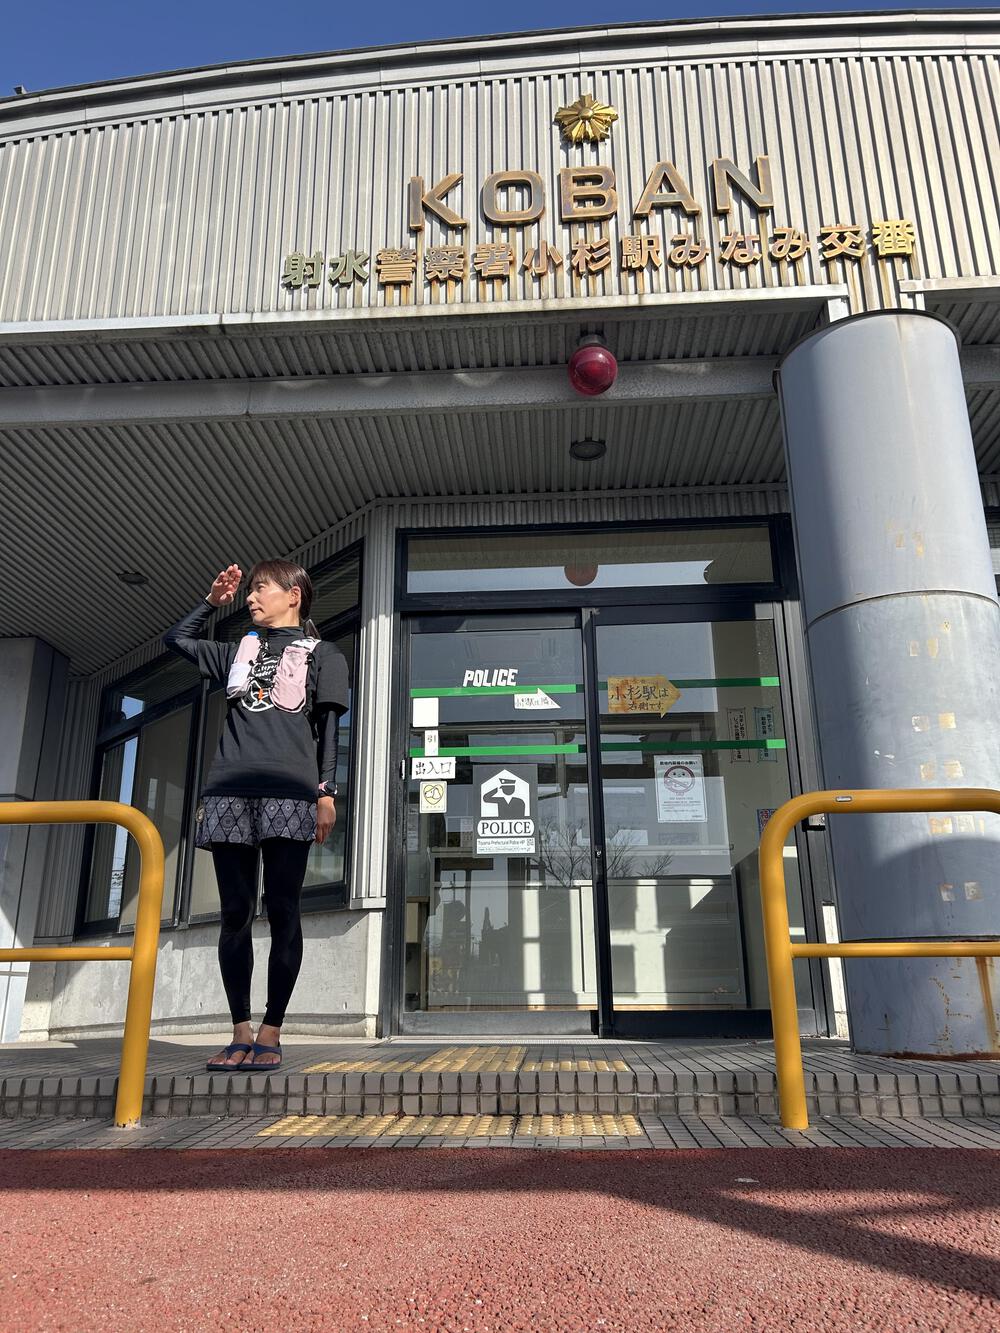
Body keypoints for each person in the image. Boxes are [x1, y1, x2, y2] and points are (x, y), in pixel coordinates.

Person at [164, 560, 349, 1072]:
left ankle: (272, 1030)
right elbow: (175, 641)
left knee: (284, 909)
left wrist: (326, 793)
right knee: (235, 912)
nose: (250, 597)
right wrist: (210, 603)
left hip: (290, 793)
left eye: (259, 589)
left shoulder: (325, 655)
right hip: (228, 790)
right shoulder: (236, 651)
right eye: (248, 591)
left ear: (293, 594)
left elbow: (329, 731)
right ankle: (240, 1031)